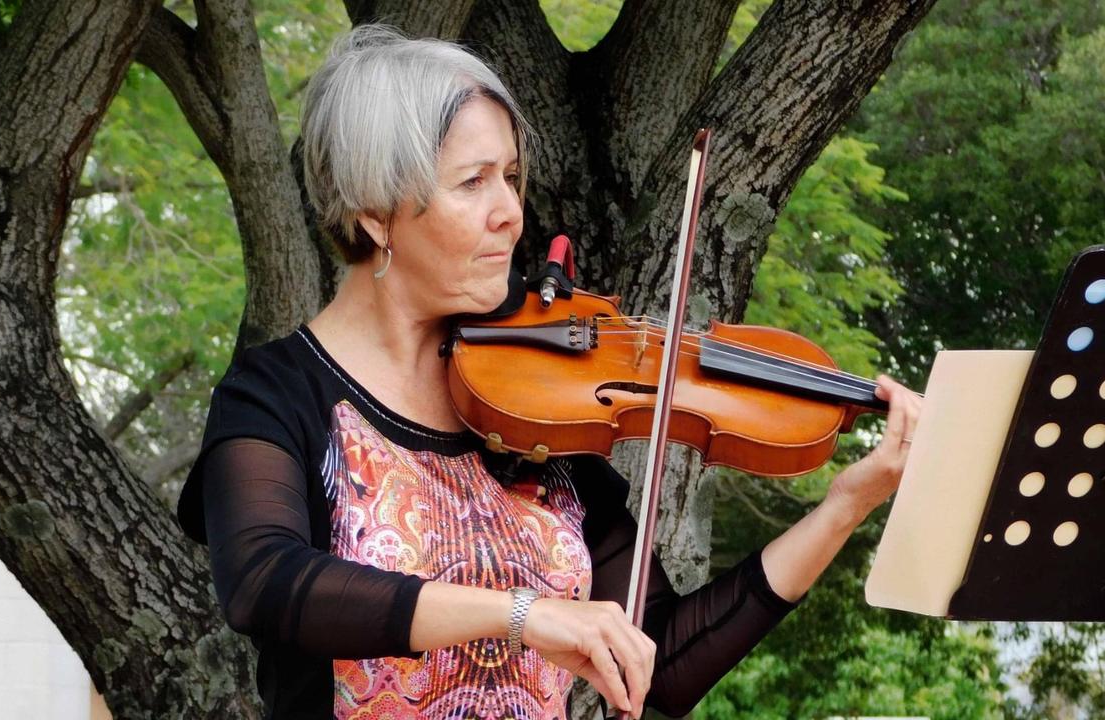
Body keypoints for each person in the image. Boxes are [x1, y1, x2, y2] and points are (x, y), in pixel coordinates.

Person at [177, 25, 923, 720]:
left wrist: (844, 508)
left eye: (511, 177)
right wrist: (523, 613)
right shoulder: (273, 396)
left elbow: (662, 664)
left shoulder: (530, 400)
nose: (510, 213)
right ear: (374, 213)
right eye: (472, 183)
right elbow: (265, 583)